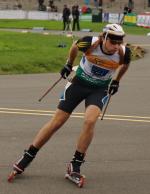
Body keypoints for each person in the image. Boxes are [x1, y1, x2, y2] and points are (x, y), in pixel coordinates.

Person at [9, 24, 131, 186]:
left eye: (119, 43)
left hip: (99, 89)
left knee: (90, 121)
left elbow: (125, 64)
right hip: (78, 84)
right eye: (113, 42)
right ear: (104, 38)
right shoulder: (89, 42)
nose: (116, 47)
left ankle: (75, 164)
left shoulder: (123, 52)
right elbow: (74, 47)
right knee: (57, 122)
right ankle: (28, 156)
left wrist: (116, 81)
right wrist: (69, 64)